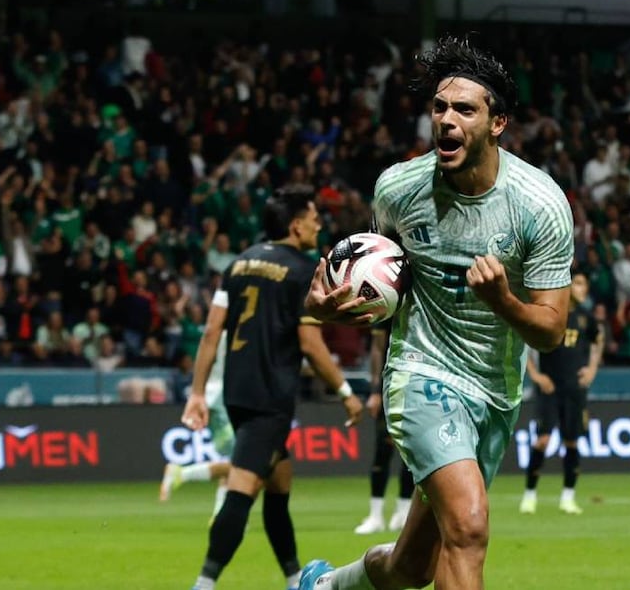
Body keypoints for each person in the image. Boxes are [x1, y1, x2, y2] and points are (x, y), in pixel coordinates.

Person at [299, 36, 574, 590]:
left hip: (495, 391)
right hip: (420, 374)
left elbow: (550, 331)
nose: (447, 121)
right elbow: (380, 287)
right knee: (469, 528)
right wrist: (326, 305)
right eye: (440, 108)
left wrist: (503, 302)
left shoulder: (539, 206)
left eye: (465, 110)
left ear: (497, 123)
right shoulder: (398, 190)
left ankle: (326, 586)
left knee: (412, 569)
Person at [181, 184, 365, 590]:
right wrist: (347, 393)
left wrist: (197, 393)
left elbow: (212, 332)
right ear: (296, 225)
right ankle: (204, 583)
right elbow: (310, 344)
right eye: (315, 218)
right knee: (241, 491)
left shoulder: (239, 264)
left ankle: (294, 578)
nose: (319, 224)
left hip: (237, 392)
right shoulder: (302, 271)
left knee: (279, 484)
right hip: (269, 397)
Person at [519, 271, 603, 516]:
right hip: (550, 387)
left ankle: (568, 496)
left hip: (574, 389)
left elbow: (598, 341)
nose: (581, 288)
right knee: (542, 440)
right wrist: (536, 376)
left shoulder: (587, 319)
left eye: (584, 284)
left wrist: (592, 369)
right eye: (577, 282)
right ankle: (530, 495)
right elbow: (525, 341)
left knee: (572, 441)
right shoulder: (552, 314)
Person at [160, 330, 234, 522]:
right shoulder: (232, 332)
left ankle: (220, 515)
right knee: (246, 464)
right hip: (223, 397)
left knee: (237, 464)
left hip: (216, 395)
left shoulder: (219, 331)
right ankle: (182, 474)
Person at [353, 323, 416, 534]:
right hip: (390, 385)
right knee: (383, 450)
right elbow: (378, 348)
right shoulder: (391, 303)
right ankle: (376, 515)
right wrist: (375, 390)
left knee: (412, 453)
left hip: (417, 385)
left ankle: (403, 512)